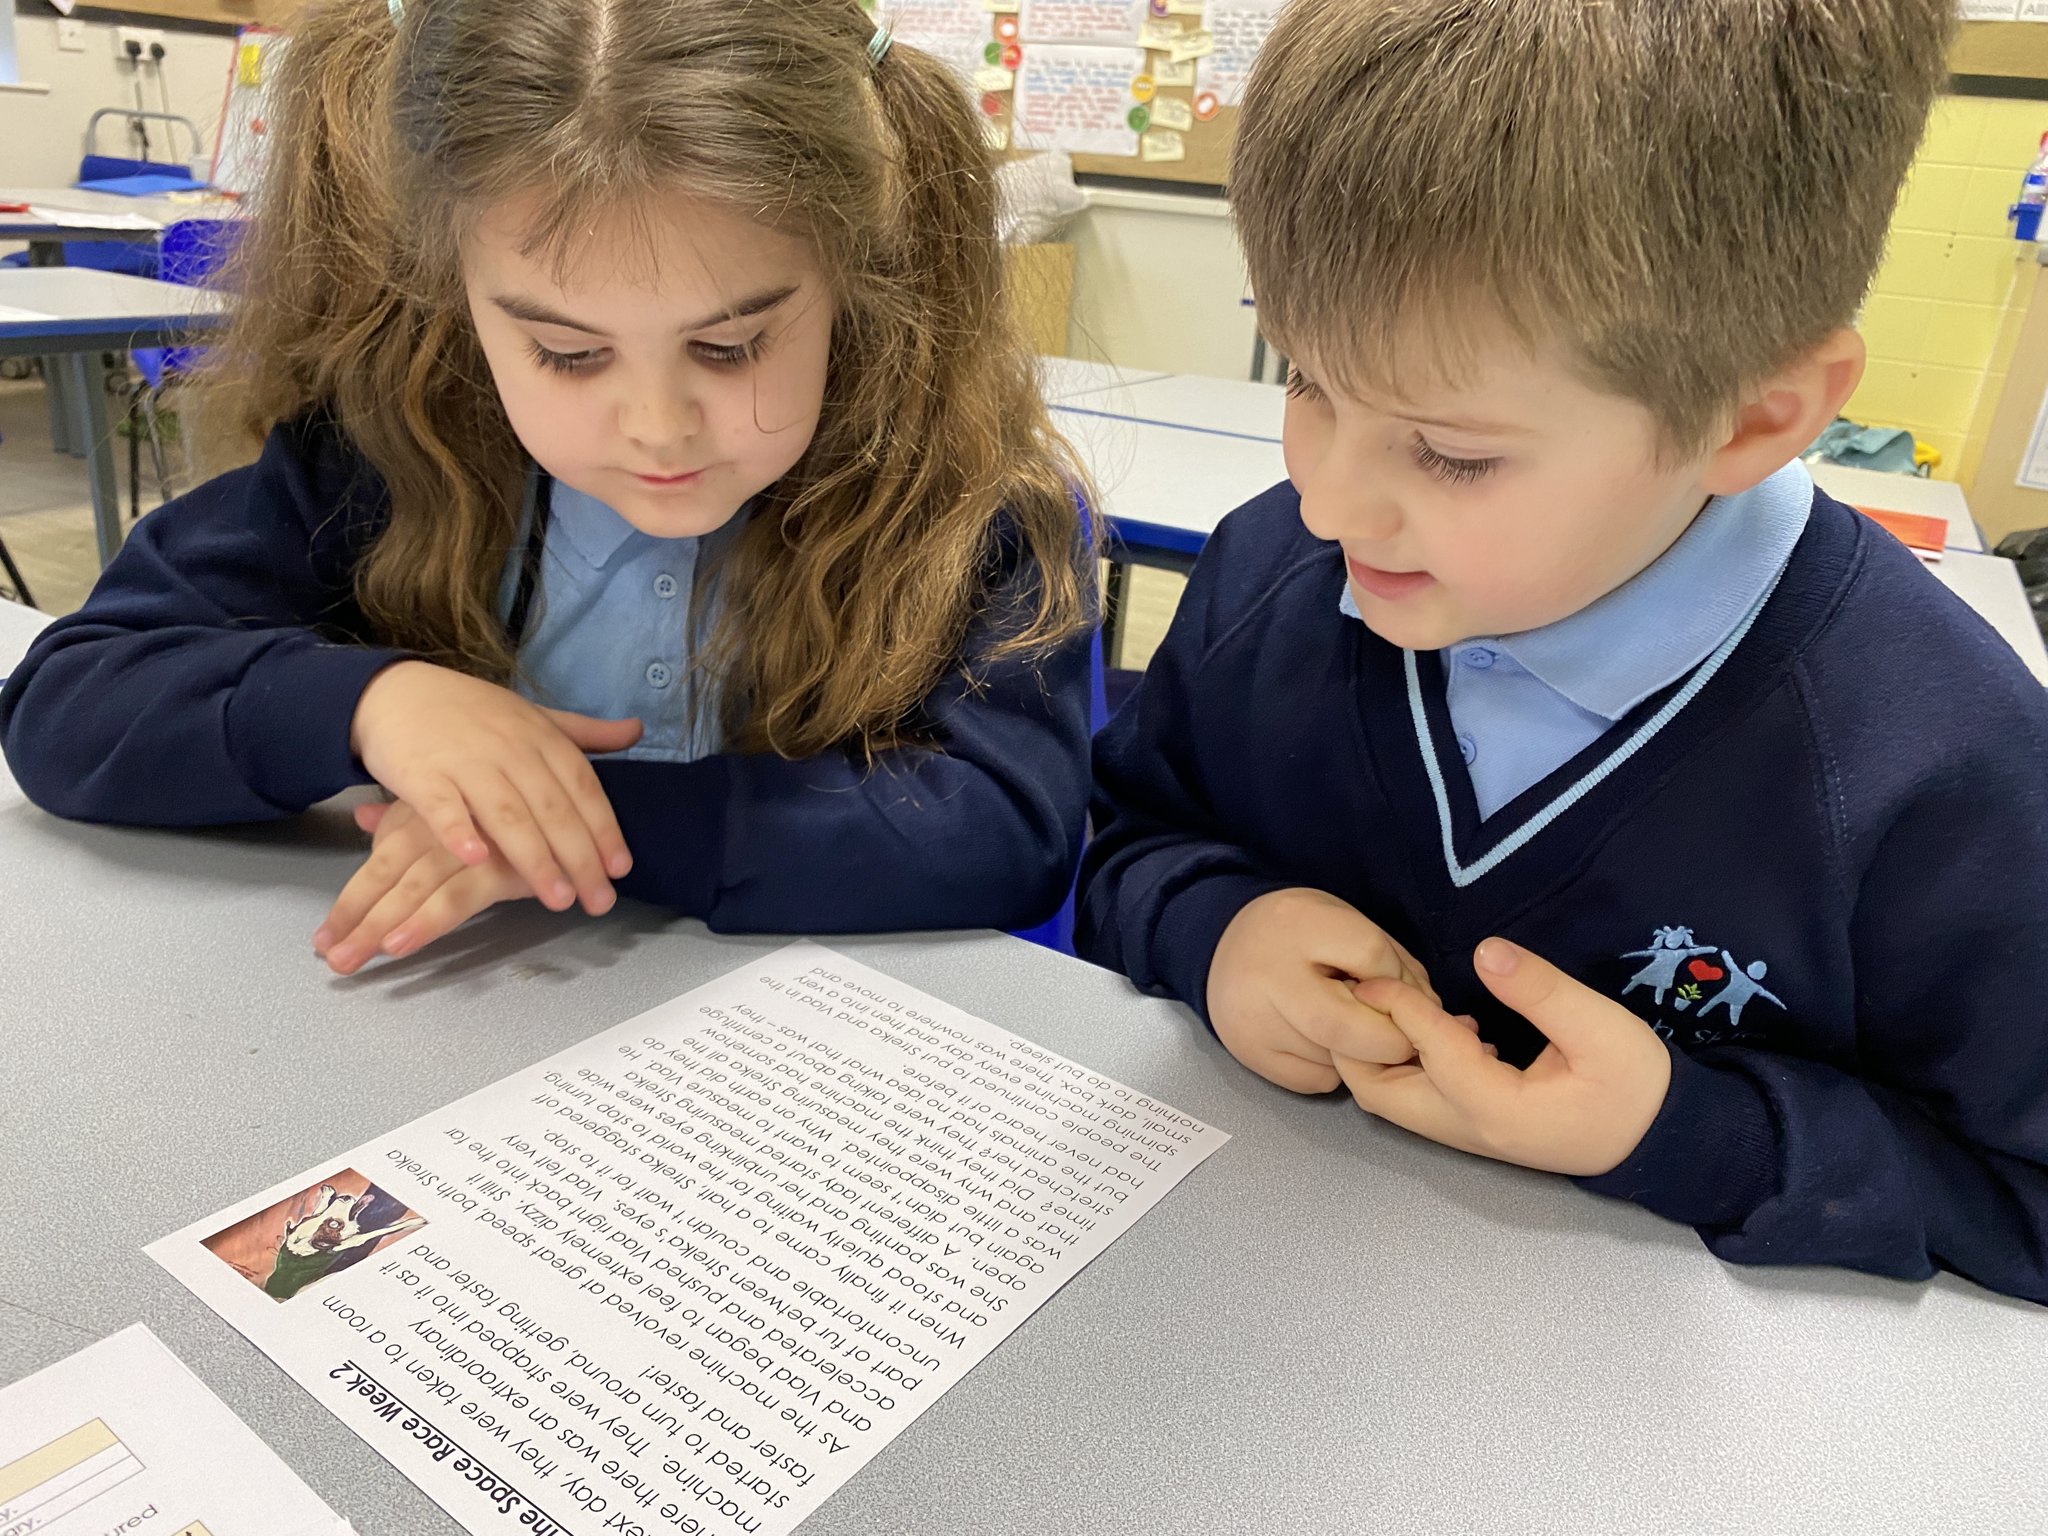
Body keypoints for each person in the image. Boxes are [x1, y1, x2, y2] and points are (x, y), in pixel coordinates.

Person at [1078, 0, 2048, 1303]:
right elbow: (1120, 835)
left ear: (1756, 417)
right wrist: (1216, 930)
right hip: (1252, 1324)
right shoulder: (1269, 581)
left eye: (1454, 451)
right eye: (1304, 378)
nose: (1324, 503)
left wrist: (1691, 1131)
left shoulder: (1950, 775)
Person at [0, 0, 1097, 972]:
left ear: (853, 278)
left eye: (731, 347)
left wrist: (566, 825)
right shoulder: (383, 450)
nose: (657, 425)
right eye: (568, 356)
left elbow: (1005, 831)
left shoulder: (967, 501)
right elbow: (67, 705)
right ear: (455, 293)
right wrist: (373, 705)